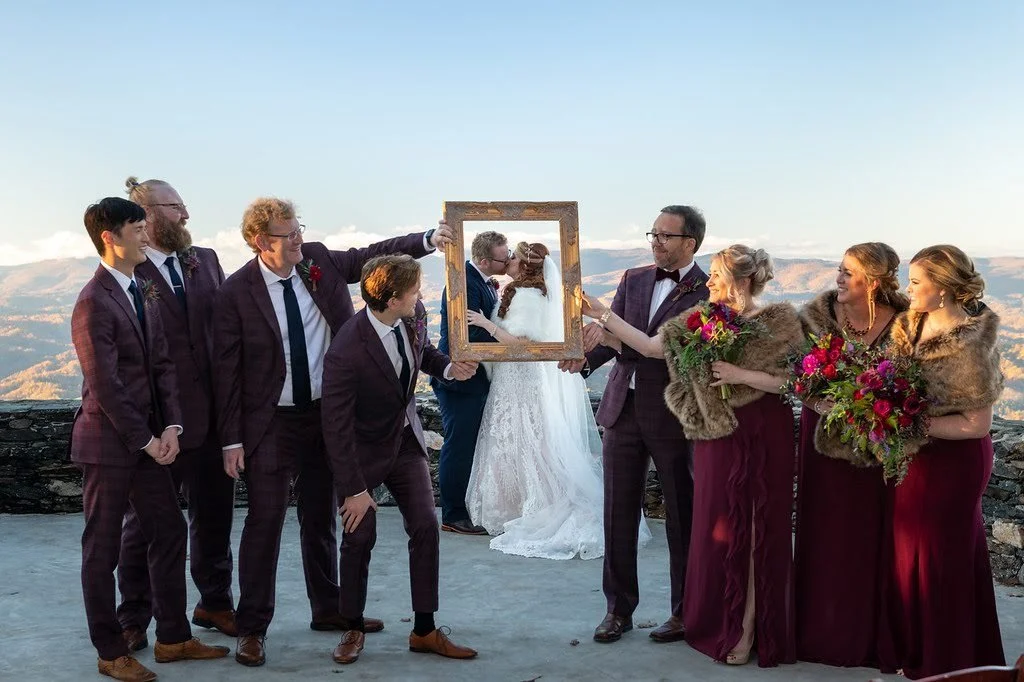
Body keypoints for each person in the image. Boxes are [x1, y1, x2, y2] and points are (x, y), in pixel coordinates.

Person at [211, 197, 453, 667]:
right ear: (262, 242)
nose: (299, 237)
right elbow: (227, 371)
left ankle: (330, 609)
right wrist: (232, 438)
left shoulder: (316, 260)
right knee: (265, 522)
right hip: (272, 423)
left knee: (322, 516)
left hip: (331, 414)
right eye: (289, 233)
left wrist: (425, 240)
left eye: (299, 228)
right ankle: (252, 627)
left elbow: (368, 257)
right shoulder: (235, 292)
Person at [584, 244, 801, 667]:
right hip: (713, 432)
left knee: (754, 526)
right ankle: (710, 616)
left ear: (737, 280)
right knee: (715, 525)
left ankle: (749, 625)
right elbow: (648, 347)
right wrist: (597, 329)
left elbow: (796, 380)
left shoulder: (780, 321)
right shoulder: (704, 318)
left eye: (717, 276)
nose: (709, 283)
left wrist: (741, 375)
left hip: (760, 431)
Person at [71, 197, 229, 681]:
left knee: (168, 531)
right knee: (102, 548)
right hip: (110, 446)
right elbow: (105, 385)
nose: (146, 236)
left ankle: (174, 638)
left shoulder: (141, 288)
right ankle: (110, 649)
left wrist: (173, 429)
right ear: (110, 237)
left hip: (150, 442)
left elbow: (163, 365)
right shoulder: (92, 301)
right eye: (137, 229)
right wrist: (147, 441)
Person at [321, 255, 479, 666]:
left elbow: (423, 352)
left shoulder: (412, 316)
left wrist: (448, 368)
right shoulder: (345, 351)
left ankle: (424, 630)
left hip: (406, 442)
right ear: (391, 298)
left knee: (426, 526)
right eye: (414, 291)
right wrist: (355, 490)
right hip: (360, 452)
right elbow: (335, 428)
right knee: (359, 537)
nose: (420, 296)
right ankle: (352, 626)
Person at [562, 205, 709, 643]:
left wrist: (604, 317)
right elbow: (614, 342)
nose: (656, 241)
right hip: (621, 412)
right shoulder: (634, 278)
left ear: (691, 244)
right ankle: (617, 610)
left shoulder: (707, 293)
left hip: (671, 414)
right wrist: (585, 360)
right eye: (653, 233)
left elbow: (658, 349)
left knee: (683, 515)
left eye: (666, 235)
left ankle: (685, 611)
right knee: (617, 513)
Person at [463, 242, 650, 559]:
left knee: (527, 442)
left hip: (522, 381)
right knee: (514, 442)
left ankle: (532, 508)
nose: (508, 260)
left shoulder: (528, 297)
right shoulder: (518, 291)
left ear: (523, 267)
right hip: (512, 381)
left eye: (513, 258)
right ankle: (517, 506)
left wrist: (486, 324)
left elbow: (521, 346)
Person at [116, 177, 237, 651]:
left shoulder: (204, 260)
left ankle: (215, 602)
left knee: (215, 517)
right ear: (145, 214)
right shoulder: (129, 269)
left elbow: (224, 332)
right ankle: (133, 619)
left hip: (210, 418)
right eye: (175, 207)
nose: (186, 216)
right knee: (143, 528)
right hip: (156, 425)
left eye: (185, 207)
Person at [879, 244, 1005, 679]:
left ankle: (948, 660)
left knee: (941, 560)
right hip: (912, 458)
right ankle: (912, 650)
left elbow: (976, 425)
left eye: (915, 283)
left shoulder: (972, 344)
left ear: (944, 289)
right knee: (907, 553)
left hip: (954, 463)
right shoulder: (909, 326)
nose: (906, 289)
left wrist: (905, 422)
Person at [792, 242, 907, 668]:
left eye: (847, 272)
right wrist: (832, 408)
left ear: (873, 282)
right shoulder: (815, 318)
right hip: (823, 441)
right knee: (825, 532)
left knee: (871, 537)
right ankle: (819, 633)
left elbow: (915, 386)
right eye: (839, 270)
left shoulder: (906, 325)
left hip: (876, 449)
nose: (837, 278)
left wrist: (875, 418)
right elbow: (794, 377)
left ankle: (870, 637)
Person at [431, 230, 510, 535]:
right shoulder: (463, 281)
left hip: (478, 376)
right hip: (460, 377)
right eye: (504, 259)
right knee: (459, 445)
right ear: (483, 260)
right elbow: (469, 334)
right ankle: (453, 514)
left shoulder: (483, 281)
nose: (508, 262)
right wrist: (512, 343)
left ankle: (468, 506)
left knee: (470, 445)